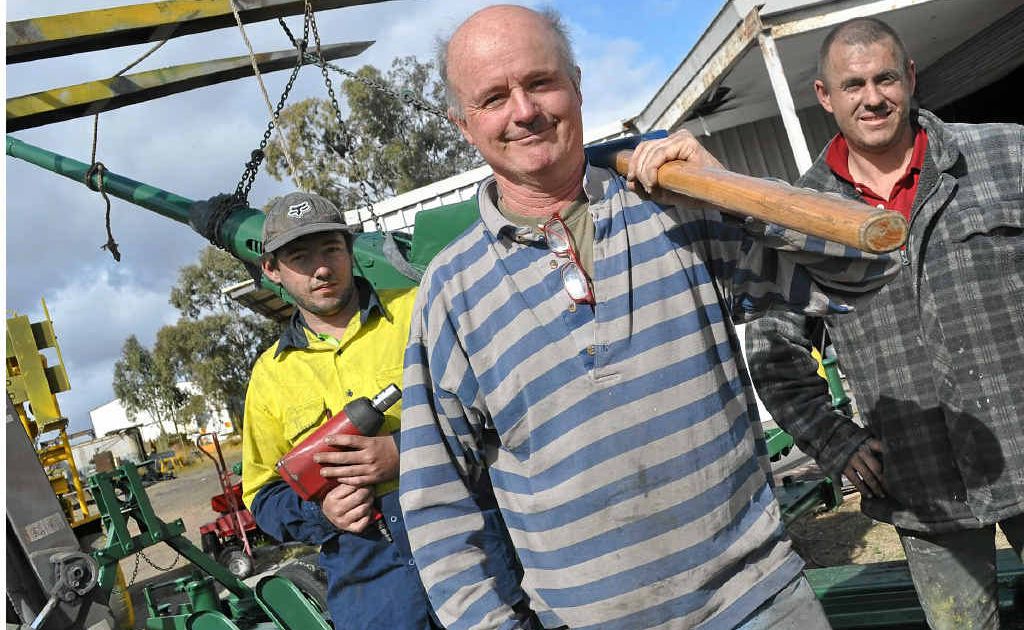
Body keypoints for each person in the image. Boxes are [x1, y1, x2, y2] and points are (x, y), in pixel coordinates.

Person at [397, 5, 899, 629]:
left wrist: (731, 189)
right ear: (464, 124)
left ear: (576, 86)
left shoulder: (676, 207)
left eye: (541, 83)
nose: (524, 111)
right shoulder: (450, 291)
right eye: (494, 97)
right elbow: (436, 500)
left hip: (761, 603)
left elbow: (864, 273)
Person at [744, 17, 1024, 630]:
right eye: (853, 85)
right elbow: (772, 351)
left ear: (910, 77)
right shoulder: (802, 215)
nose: (872, 98)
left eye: (885, 78)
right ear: (825, 96)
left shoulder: (1006, 155)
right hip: (921, 480)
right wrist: (833, 439)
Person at [240, 191, 440, 628]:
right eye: (300, 257)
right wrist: (321, 511)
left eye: (332, 249)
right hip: (369, 589)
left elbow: (490, 412)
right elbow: (261, 494)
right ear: (272, 270)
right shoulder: (271, 375)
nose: (322, 269)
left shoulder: (418, 311)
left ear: (350, 250)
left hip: (462, 553)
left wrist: (403, 451)